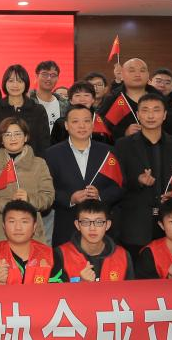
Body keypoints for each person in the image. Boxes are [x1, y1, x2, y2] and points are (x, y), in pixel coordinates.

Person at [113, 94, 172, 258]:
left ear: (164, 115)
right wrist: (137, 181)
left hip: (170, 221)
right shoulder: (123, 145)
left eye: (156, 110)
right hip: (135, 223)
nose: (151, 116)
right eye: (145, 110)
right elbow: (116, 181)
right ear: (138, 115)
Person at [44, 105, 123, 248]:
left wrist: (100, 196)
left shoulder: (109, 153)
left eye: (86, 121)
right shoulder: (51, 154)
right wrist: (70, 199)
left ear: (92, 125)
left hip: (100, 227)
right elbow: (47, 191)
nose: (82, 126)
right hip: (66, 226)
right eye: (75, 121)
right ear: (66, 125)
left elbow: (119, 186)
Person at [0, 117, 54, 253]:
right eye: (7, 134)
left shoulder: (39, 163)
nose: (12, 138)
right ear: (1, 139)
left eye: (17, 134)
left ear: (26, 137)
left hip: (31, 232)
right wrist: (9, 204)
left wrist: (29, 199)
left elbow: (48, 197)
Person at [0, 200, 65, 284]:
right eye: (12, 221)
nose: (18, 227)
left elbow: (60, 290)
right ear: (4, 226)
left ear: (34, 226)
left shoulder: (50, 256)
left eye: (24, 222)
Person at [56, 198, 132, 282]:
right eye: (86, 222)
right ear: (77, 225)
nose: (92, 228)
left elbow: (131, 289)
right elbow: (55, 289)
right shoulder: (61, 254)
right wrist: (80, 283)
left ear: (107, 225)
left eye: (98, 222)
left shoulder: (122, 256)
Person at [0, 64, 50, 156]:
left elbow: (44, 142)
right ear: (5, 83)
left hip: (32, 162)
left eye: (20, 81)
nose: (15, 85)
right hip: (2, 162)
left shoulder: (38, 110)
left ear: (25, 84)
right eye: (11, 81)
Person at [102, 58, 157, 141]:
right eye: (132, 71)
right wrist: (123, 133)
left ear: (148, 75)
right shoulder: (113, 99)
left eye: (142, 71)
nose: (137, 74)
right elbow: (102, 130)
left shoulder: (159, 98)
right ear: (122, 75)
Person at [31, 61, 67, 138]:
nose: (49, 78)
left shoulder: (65, 104)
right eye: (44, 74)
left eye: (53, 75)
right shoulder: (28, 101)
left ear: (58, 78)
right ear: (36, 76)